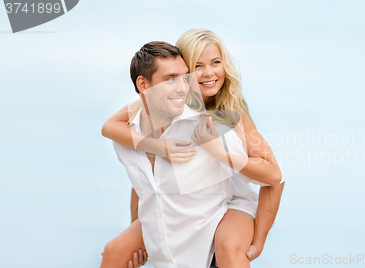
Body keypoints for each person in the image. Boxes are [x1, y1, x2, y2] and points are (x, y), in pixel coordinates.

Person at [101, 29, 284, 268]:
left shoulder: (232, 116)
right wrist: (144, 230)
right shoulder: (163, 108)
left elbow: (275, 178)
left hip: (231, 204)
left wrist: (258, 241)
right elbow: (147, 178)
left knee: (228, 246)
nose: (208, 73)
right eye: (197, 66)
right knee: (113, 251)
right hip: (191, 205)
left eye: (216, 63)